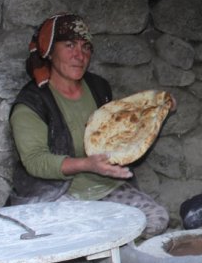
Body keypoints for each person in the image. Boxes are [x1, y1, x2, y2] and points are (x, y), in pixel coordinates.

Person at [9, 13, 172, 237]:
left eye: (86, 47)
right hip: (56, 192)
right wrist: (87, 164)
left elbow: (123, 139)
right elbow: (36, 161)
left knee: (156, 219)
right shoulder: (32, 103)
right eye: (69, 45)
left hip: (102, 186)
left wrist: (158, 113)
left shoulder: (98, 87)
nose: (80, 55)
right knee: (85, 232)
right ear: (49, 50)